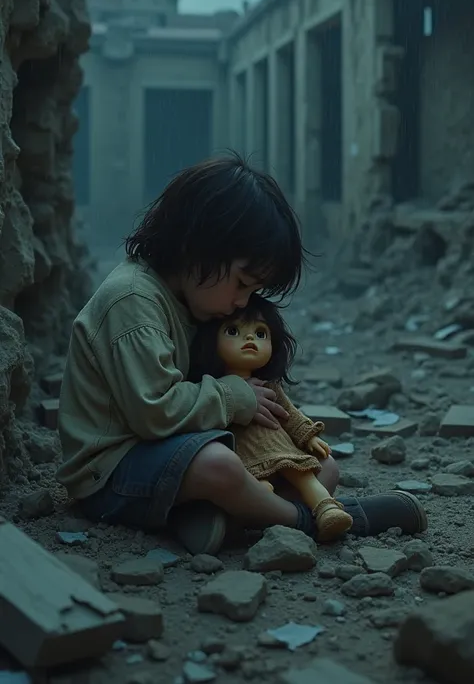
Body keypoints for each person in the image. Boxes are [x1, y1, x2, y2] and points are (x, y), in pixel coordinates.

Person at [56, 155, 427, 555]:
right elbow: (154, 411)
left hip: (174, 449)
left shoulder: (191, 299)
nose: (240, 303)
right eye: (242, 284)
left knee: (320, 468)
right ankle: (312, 521)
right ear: (197, 246)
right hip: (111, 472)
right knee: (220, 466)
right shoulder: (132, 301)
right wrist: (233, 397)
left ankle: (212, 517)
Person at [188, 293, 353, 540]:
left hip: (280, 447)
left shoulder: (269, 386)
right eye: (233, 331)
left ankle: (326, 508)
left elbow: (289, 414)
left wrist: (307, 435)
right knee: (254, 487)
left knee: (308, 472)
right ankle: (266, 518)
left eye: (261, 333)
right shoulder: (212, 388)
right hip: (243, 457)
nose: (250, 338)